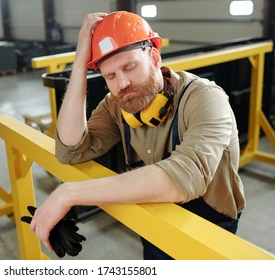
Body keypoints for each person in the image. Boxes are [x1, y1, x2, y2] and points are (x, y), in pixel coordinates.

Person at [28, 11, 245, 259]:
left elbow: (187, 175)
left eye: (129, 67)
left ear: (154, 57)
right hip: (153, 223)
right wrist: (79, 64)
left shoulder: (204, 97)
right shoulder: (115, 105)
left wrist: (68, 194)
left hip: (209, 231)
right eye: (110, 76)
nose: (122, 84)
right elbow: (69, 150)